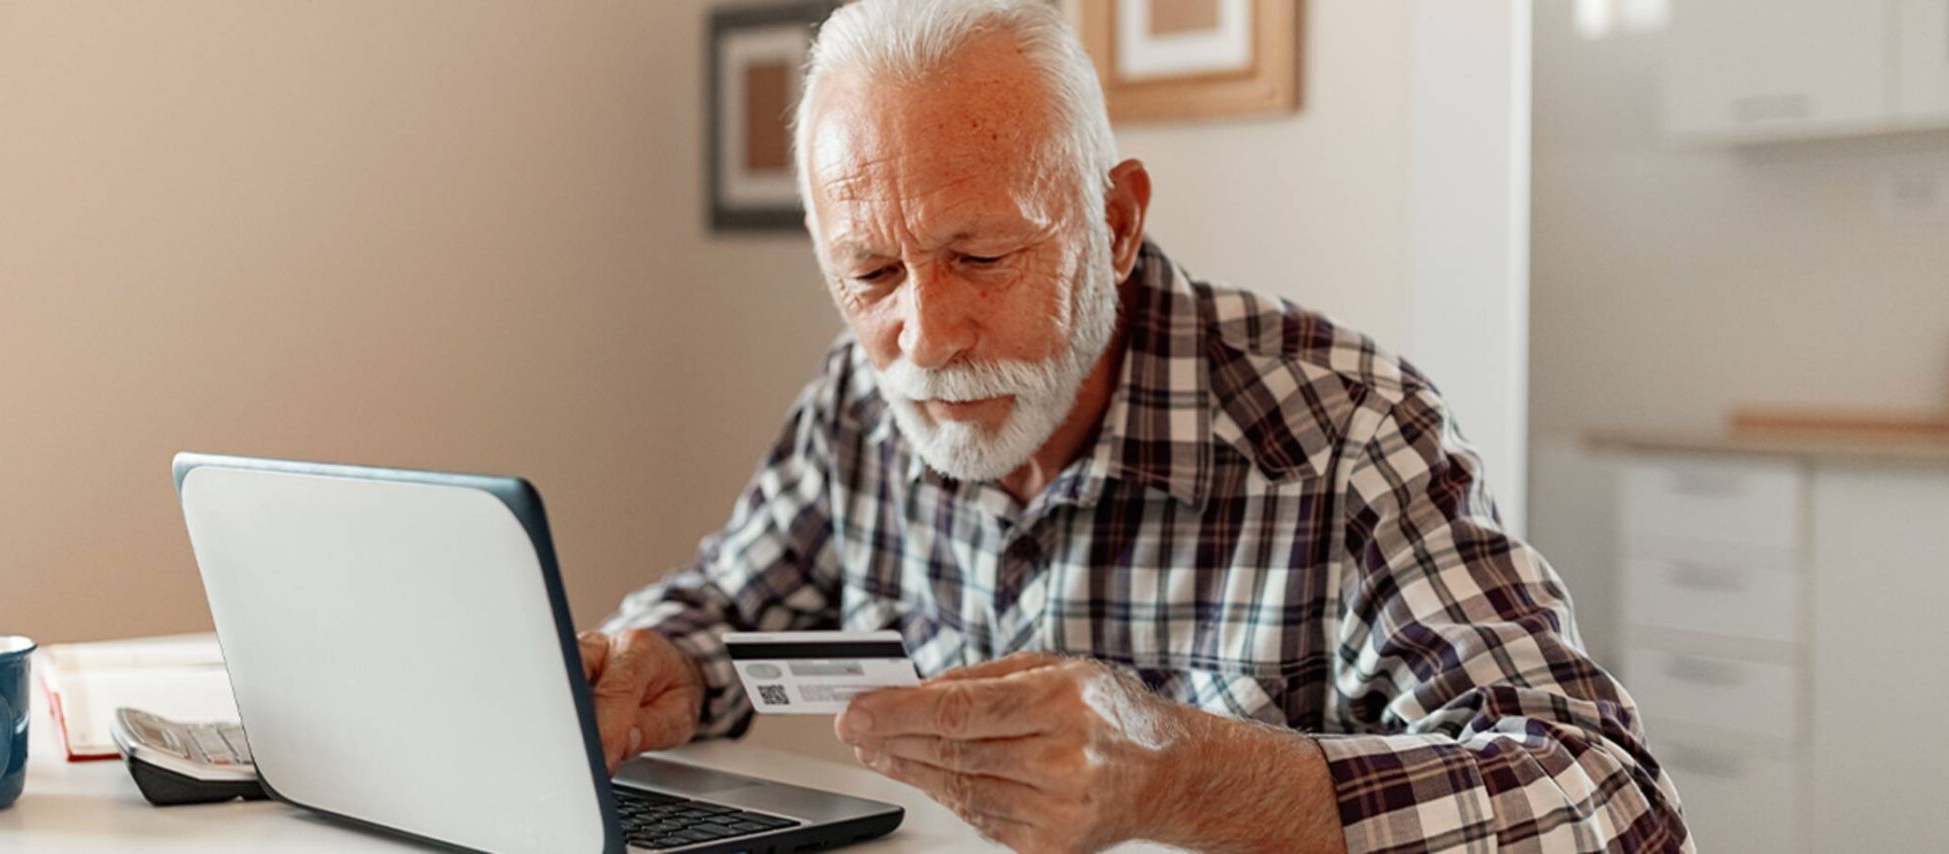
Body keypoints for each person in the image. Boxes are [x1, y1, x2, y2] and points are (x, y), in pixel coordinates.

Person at [580, 1, 1690, 850]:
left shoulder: (1344, 430)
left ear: (1113, 222)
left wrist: (1186, 772)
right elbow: (725, 607)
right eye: (871, 270)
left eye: (979, 257)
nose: (927, 338)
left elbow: (1611, 798)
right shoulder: (858, 401)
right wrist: (659, 658)